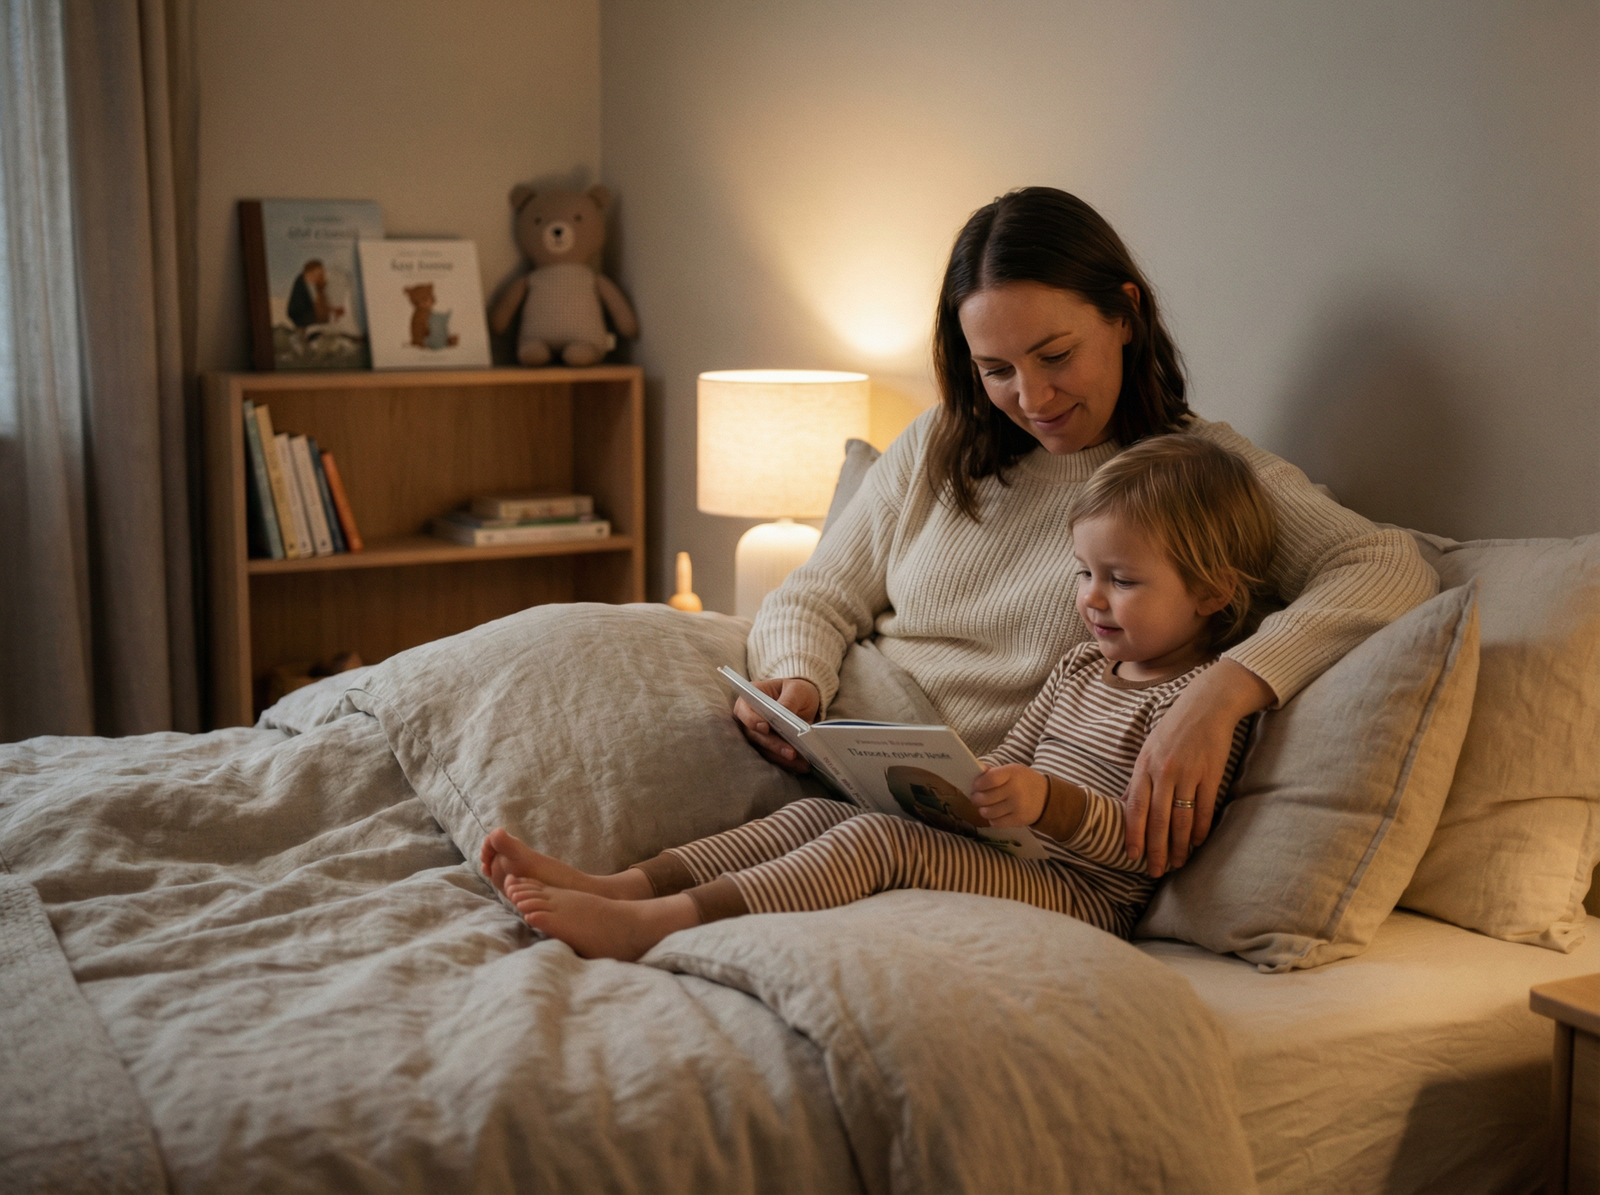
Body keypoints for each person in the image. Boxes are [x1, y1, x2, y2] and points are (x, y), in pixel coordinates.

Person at [735, 187, 1436, 879]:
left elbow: (1385, 564)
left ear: (1125, 315)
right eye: (997, 370)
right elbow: (817, 593)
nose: (1031, 399)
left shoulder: (1196, 479)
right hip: (832, 752)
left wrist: (1225, 690)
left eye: (1055, 356)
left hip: (965, 820)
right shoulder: (937, 441)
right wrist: (796, 678)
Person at [480, 435, 1275, 960]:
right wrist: (962, 785)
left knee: (878, 841)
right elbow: (1006, 758)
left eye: (1122, 580)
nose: (1092, 598)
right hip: (1014, 854)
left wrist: (1047, 803)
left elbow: (1145, 849)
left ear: (1211, 592)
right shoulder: (1078, 668)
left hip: (1085, 896)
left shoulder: (1198, 709)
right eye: (1084, 572)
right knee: (821, 814)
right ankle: (621, 885)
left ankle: (654, 926)